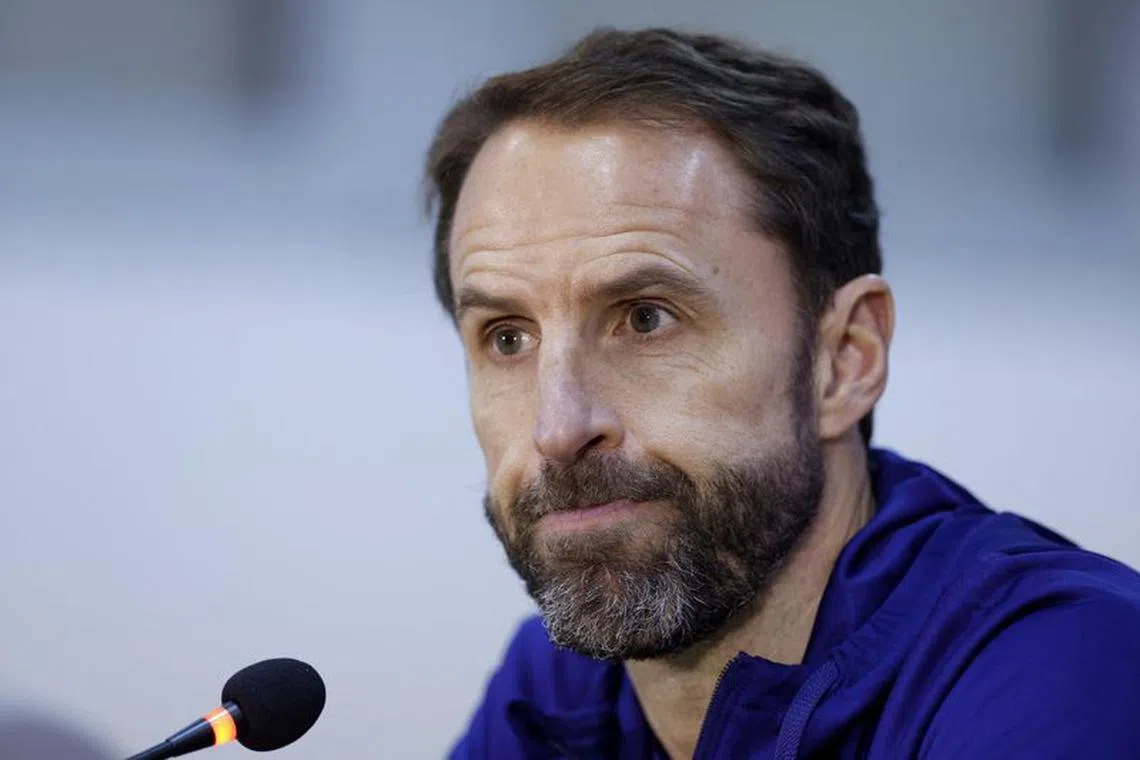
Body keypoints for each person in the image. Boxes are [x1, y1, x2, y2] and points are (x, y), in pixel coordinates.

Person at [423, 27, 1140, 759]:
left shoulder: (1059, 671)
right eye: (508, 337)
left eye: (646, 319)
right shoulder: (562, 688)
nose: (559, 427)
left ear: (845, 359)